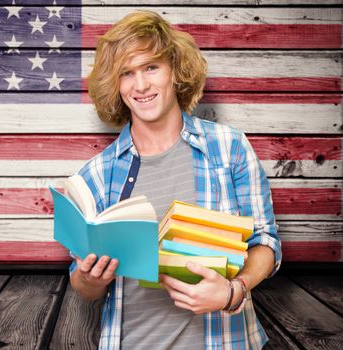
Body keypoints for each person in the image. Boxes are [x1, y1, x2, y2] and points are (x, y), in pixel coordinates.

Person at [69, 10, 281, 350]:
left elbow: (266, 243)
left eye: (151, 67)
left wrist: (232, 291)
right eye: (127, 73)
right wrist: (88, 277)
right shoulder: (96, 173)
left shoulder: (229, 148)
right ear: (116, 84)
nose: (140, 85)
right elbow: (84, 287)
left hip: (225, 341)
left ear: (175, 71)